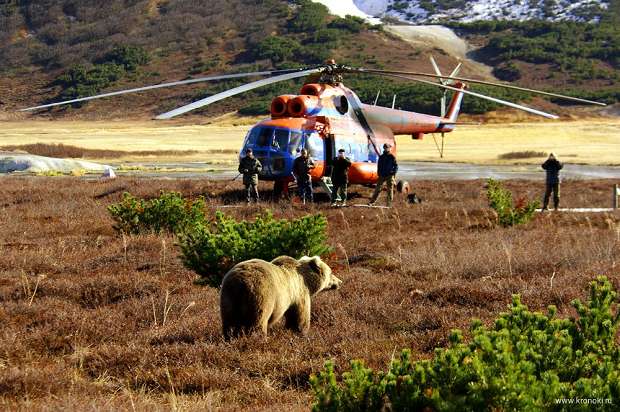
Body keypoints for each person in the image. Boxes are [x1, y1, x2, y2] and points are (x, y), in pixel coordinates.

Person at [369, 143, 398, 207]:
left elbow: (396, 166)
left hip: (389, 176)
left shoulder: (392, 157)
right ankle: (372, 202)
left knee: (389, 190)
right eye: (385, 148)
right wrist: (379, 173)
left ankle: (389, 204)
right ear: (384, 148)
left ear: (389, 148)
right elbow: (379, 166)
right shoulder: (381, 157)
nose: (386, 149)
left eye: (387, 148)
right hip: (382, 175)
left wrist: (393, 172)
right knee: (378, 189)